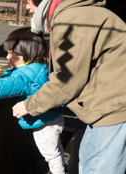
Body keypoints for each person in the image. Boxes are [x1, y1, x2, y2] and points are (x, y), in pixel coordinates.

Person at [13, 0, 126, 174]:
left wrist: (28, 105)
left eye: (28, 2)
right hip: (107, 104)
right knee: (88, 157)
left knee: (96, 168)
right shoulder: (76, 13)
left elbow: (66, 79)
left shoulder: (71, 19)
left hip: (113, 107)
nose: (27, 7)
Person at [0, 27, 67, 174]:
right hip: (54, 115)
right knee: (55, 149)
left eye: (11, 53)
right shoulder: (40, 66)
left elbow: (10, 83)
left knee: (51, 154)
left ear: (26, 54)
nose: (7, 57)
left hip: (44, 122)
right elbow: (12, 81)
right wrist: (3, 79)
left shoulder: (22, 75)